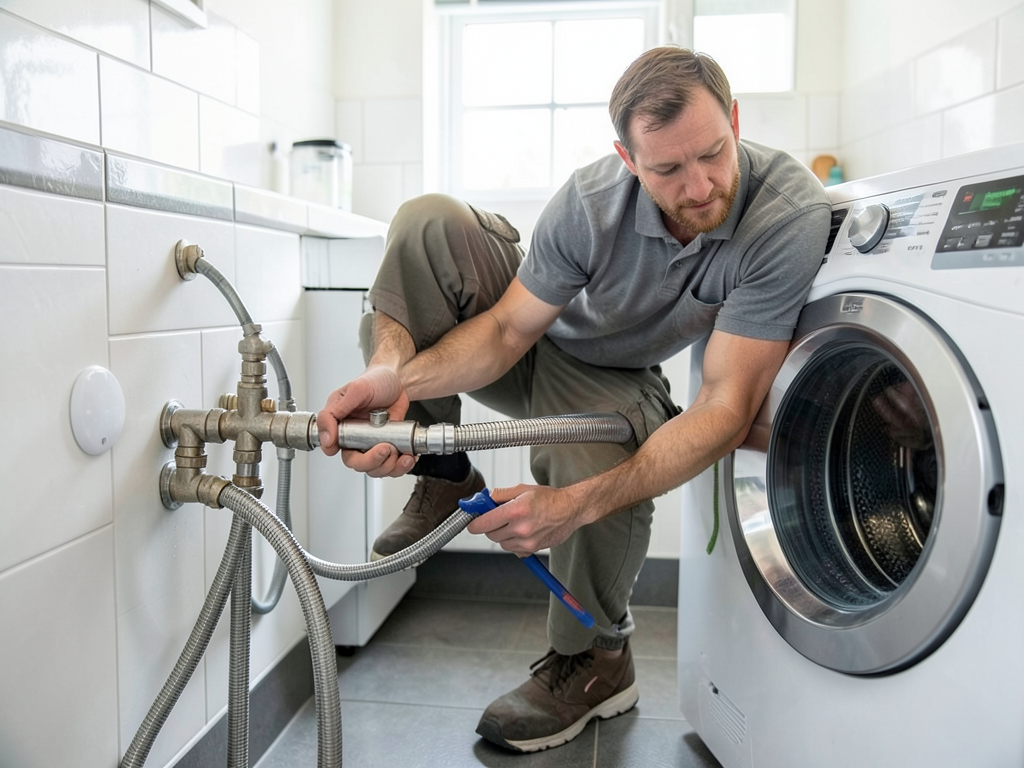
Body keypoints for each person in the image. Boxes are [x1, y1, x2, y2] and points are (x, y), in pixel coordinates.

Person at [316, 45, 831, 753]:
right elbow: (503, 331)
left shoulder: (785, 215)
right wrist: (393, 382)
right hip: (536, 343)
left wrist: (574, 505)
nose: (700, 185)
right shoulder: (590, 203)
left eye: (713, 153)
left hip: (616, 374)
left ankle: (595, 658)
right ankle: (439, 475)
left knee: (595, 462)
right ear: (627, 158)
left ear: (735, 120)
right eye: (668, 169)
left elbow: (725, 404)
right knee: (428, 219)